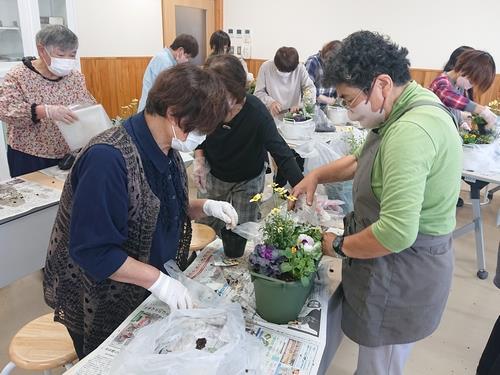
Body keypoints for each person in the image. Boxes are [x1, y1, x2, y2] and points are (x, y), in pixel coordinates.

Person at [291, 31, 462, 375]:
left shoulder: (410, 132)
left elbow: (396, 233)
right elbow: (361, 160)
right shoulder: (402, 108)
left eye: (350, 100)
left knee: (379, 366)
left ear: (382, 83)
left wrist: (336, 244)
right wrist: (316, 176)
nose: (350, 113)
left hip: (402, 271)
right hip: (392, 264)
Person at [43, 64, 239, 359]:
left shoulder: (166, 148)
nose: (199, 137)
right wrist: (158, 281)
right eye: (196, 128)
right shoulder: (107, 160)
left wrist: (206, 206)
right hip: (102, 300)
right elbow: (93, 251)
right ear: (173, 114)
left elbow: (159, 206)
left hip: (143, 290)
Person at [193, 54, 303, 234]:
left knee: (242, 231)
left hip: (248, 178)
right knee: (206, 227)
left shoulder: (256, 112)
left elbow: (281, 152)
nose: (217, 106)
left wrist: (302, 188)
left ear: (237, 93)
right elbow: (198, 137)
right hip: (213, 174)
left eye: (224, 99)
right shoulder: (206, 105)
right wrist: (199, 160)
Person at [0, 25, 95, 177]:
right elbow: (6, 110)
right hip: (29, 155)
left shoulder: (75, 77)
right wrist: (44, 111)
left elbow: (88, 106)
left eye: (72, 55)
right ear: (42, 50)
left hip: (68, 155)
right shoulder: (18, 75)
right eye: (61, 55)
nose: (67, 61)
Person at [429, 49, 497, 128]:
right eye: (471, 82)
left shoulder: (459, 86)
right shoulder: (441, 82)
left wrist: (461, 123)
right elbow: (449, 98)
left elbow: (454, 109)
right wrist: (481, 110)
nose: (470, 86)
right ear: (463, 69)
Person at [137, 34, 198, 111]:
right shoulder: (164, 61)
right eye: (187, 57)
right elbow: (168, 92)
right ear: (180, 51)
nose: (187, 61)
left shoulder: (168, 59)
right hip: (149, 111)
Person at [254, 46, 316, 117]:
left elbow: (310, 89)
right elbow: (258, 93)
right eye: (281, 71)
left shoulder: (300, 68)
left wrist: (300, 106)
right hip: (272, 116)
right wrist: (270, 102)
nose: (284, 75)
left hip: (294, 116)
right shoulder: (266, 67)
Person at [305, 40, 342, 107]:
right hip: (313, 107)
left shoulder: (338, 64)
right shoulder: (313, 62)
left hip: (329, 108)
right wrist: (325, 99)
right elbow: (306, 89)